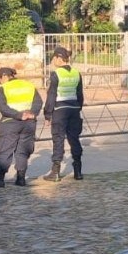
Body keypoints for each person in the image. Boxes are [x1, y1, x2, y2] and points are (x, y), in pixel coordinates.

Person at [0, 67, 42, 188]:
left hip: (10, 123)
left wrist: (19, 115)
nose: (0, 83)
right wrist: (32, 113)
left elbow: (2, 107)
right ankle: (21, 179)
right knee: (23, 151)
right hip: (29, 123)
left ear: (3, 77)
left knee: (5, 150)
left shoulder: (4, 88)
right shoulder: (29, 85)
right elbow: (38, 102)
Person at [42, 46, 83, 182]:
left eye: (54, 58)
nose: (53, 60)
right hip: (74, 110)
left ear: (59, 58)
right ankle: (78, 171)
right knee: (74, 139)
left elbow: (51, 95)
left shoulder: (56, 74)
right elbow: (80, 95)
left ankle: (55, 172)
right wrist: (78, 108)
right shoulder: (77, 73)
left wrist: (47, 115)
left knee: (58, 139)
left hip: (60, 110)